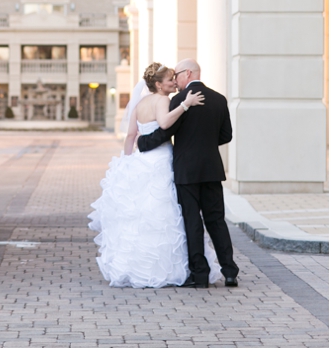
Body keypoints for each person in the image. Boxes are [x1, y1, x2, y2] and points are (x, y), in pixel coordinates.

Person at [88, 62, 223, 288]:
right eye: (170, 79)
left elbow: (131, 135)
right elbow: (164, 123)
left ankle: (139, 266)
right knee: (166, 214)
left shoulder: (140, 103)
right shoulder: (163, 101)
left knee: (145, 215)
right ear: (159, 85)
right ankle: (169, 268)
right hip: (161, 161)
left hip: (142, 163)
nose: (173, 82)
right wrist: (186, 105)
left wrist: (127, 162)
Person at [137, 59, 239, 288]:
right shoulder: (219, 99)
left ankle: (200, 274)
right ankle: (230, 271)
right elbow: (227, 135)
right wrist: (207, 143)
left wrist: (143, 142)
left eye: (177, 74)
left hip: (186, 171)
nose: (175, 80)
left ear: (188, 73)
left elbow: (166, 132)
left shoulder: (179, 100)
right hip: (212, 169)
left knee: (192, 221)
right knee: (216, 221)